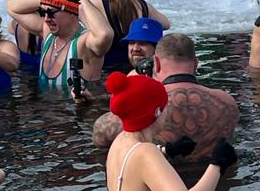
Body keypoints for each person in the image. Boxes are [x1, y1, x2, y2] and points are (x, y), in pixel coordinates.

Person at [101, 71, 235, 191]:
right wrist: (218, 163)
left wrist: (167, 151)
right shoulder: (146, 153)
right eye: (165, 108)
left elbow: (134, 169)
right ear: (156, 112)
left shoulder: (121, 140)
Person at [93, 32, 240, 156]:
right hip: (215, 178)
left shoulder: (147, 103)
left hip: (159, 178)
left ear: (156, 63)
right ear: (196, 64)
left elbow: (100, 136)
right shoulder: (227, 102)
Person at [8, 0, 111, 94]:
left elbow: (104, 34)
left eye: (51, 13)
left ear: (71, 13)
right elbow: (11, 7)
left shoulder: (83, 44)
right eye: (44, 12)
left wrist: (83, 0)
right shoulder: (48, 33)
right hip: (46, 105)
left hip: (75, 107)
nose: (46, 18)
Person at [87, 0, 169, 75]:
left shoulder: (96, 6)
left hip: (109, 74)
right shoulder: (143, 6)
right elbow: (166, 24)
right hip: (138, 70)